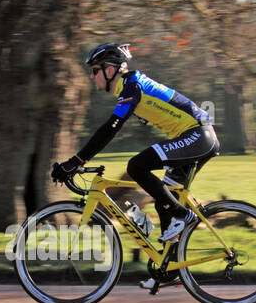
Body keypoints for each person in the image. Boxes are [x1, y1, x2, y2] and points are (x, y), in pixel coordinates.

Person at [52, 42, 219, 247]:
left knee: (137, 166)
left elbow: (111, 128)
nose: (91, 76)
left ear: (110, 70)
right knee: (164, 202)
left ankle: (184, 215)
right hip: (196, 136)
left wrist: (76, 161)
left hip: (198, 135)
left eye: (94, 71)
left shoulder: (131, 86)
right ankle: (170, 271)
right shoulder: (130, 85)